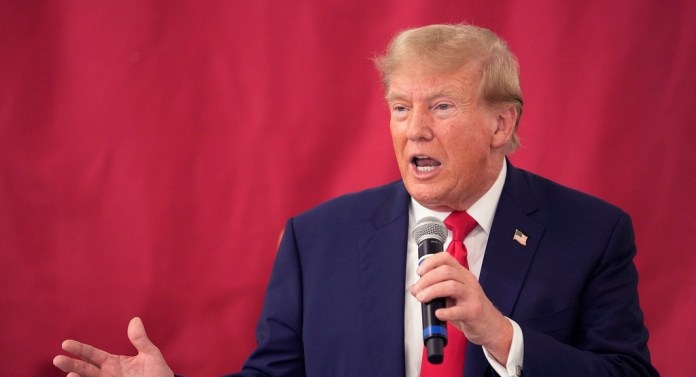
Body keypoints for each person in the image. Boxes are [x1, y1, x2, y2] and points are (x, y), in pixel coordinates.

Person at [53, 23, 659, 377]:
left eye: (441, 107)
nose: (414, 129)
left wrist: (502, 335)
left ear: (502, 124)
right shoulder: (317, 239)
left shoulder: (591, 232)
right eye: (400, 107)